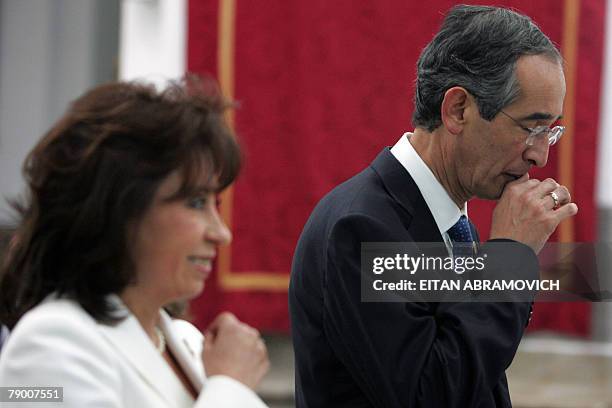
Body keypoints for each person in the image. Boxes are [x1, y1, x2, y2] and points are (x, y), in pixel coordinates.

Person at [289, 5, 578, 408]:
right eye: (532, 128)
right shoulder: (361, 227)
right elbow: (430, 394)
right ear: (458, 109)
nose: (541, 156)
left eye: (551, 131)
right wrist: (509, 261)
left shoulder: (455, 226)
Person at [0, 78, 269, 407]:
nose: (221, 233)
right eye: (196, 203)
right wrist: (230, 387)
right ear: (120, 209)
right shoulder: (50, 343)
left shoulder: (187, 342)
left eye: (217, 205)